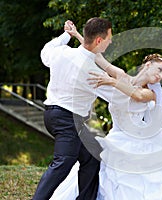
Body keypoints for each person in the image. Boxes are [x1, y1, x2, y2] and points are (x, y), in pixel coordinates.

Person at [49, 22, 162, 198]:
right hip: (117, 138)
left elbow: (136, 96)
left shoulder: (149, 93)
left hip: (141, 140)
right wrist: (78, 35)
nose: (159, 76)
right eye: (159, 70)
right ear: (148, 65)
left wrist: (111, 81)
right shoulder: (122, 75)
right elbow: (97, 56)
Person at [33, 17, 116, 200]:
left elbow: (45, 51)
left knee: (92, 157)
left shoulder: (61, 52)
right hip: (66, 120)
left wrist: (66, 35)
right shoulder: (92, 71)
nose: (111, 42)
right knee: (64, 161)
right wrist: (141, 91)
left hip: (53, 115)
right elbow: (116, 96)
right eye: (109, 38)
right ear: (99, 41)